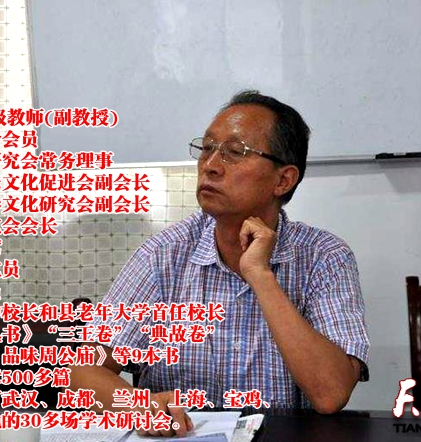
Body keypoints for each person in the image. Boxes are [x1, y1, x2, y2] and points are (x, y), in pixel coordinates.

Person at [69, 91, 370, 437]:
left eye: (235, 152)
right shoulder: (163, 255)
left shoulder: (324, 256)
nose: (210, 165)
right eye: (207, 148)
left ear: (283, 180)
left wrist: (260, 275)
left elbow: (330, 394)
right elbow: (81, 372)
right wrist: (138, 405)